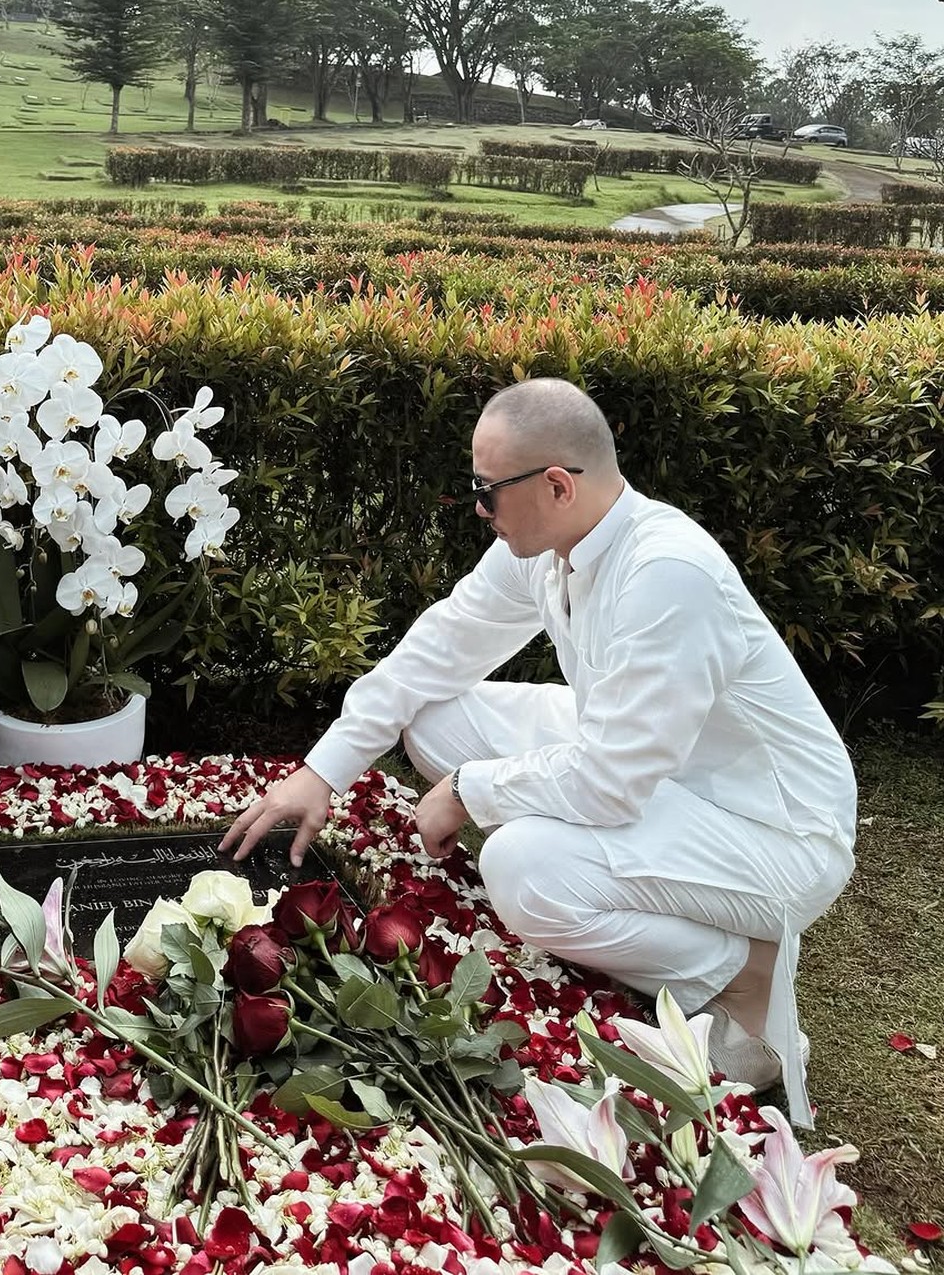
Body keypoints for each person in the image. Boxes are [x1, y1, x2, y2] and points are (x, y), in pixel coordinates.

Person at [220, 379, 856, 1126]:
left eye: (486, 491)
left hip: (773, 834)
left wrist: (469, 789)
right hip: (653, 773)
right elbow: (442, 644)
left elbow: (612, 782)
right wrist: (320, 772)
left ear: (556, 484)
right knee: (433, 712)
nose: (479, 508)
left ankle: (744, 971)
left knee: (522, 866)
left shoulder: (666, 574)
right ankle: (659, 912)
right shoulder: (553, 542)